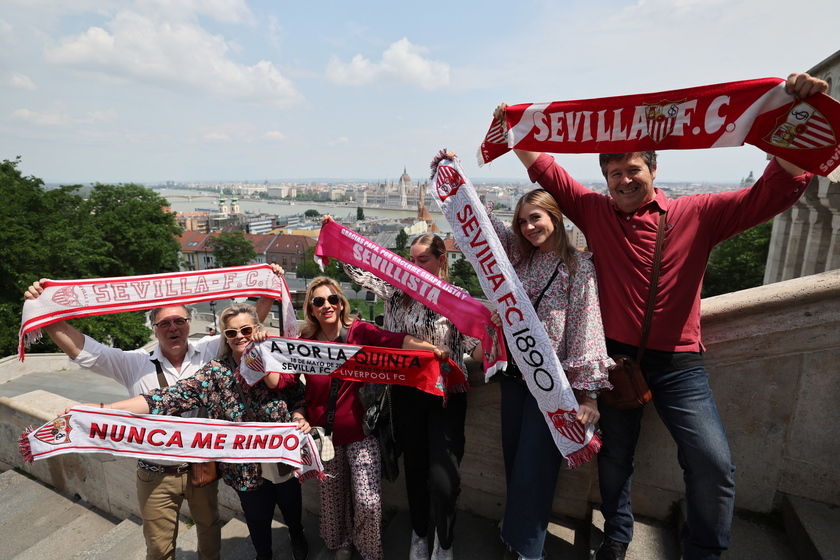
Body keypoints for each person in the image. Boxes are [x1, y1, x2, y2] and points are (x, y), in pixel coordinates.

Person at [493, 71, 829, 560]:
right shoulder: (595, 212)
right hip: (614, 362)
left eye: (633, 170)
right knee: (613, 462)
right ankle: (617, 537)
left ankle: (705, 552)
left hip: (679, 365)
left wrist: (801, 114)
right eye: (615, 175)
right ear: (605, 181)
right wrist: (514, 123)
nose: (625, 181)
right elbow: (548, 172)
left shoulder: (700, 212)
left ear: (652, 169)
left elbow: (771, 193)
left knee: (713, 463)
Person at [23, 266, 285, 560]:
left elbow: (249, 322)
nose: (173, 328)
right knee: (159, 548)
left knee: (210, 534)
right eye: (164, 323)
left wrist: (268, 279)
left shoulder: (210, 350)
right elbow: (84, 350)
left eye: (179, 321)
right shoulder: (133, 362)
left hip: (202, 468)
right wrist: (44, 311)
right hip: (155, 473)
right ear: (154, 328)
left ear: (188, 324)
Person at [86, 303, 311, 560]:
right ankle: (264, 556)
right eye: (231, 332)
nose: (240, 336)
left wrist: (298, 415)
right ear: (225, 337)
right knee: (257, 518)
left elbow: (297, 395)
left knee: (291, 505)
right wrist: (106, 409)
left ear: (257, 330)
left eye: (246, 329)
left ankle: (297, 535)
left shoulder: (276, 360)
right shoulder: (215, 372)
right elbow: (167, 398)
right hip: (244, 468)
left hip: (282, 455)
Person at [326, 214, 479, 560]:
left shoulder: (457, 298)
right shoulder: (397, 293)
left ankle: (445, 539)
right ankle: (420, 534)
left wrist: (495, 328)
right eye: (410, 261)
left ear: (442, 262)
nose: (413, 268)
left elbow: (477, 347)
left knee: (446, 478)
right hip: (406, 394)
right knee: (416, 469)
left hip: (446, 396)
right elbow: (360, 269)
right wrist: (335, 234)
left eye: (421, 260)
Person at [487, 188, 612, 560]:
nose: (528, 227)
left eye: (535, 218)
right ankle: (517, 534)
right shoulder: (521, 263)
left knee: (534, 469)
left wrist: (588, 395)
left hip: (551, 386)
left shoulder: (578, 266)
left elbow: (585, 329)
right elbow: (484, 234)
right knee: (514, 460)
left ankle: (528, 550)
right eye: (522, 221)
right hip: (515, 379)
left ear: (555, 217)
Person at [294, 276, 450, 560]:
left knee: (367, 500)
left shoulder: (360, 332)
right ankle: (340, 541)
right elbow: (286, 382)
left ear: (341, 303)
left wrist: (430, 350)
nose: (326, 305)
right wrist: (297, 412)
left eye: (332, 299)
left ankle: (368, 548)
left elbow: (397, 341)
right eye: (318, 301)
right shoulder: (302, 342)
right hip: (324, 436)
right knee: (331, 499)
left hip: (360, 432)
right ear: (311, 309)